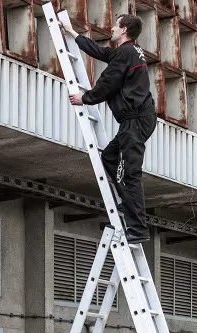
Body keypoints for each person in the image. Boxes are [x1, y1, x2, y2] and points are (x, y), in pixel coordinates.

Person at [60, 14, 157, 244]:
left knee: (130, 174)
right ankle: (127, 203)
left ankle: (138, 229)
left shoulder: (126, 53)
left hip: (136, 120)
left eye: (116, 24)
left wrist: (85, 98)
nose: (111, 27)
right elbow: (100, 52)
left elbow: (108, 82)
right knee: (111, 158)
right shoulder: (130, 51)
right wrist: (72, 34)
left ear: (123, 30)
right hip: (135, 120)